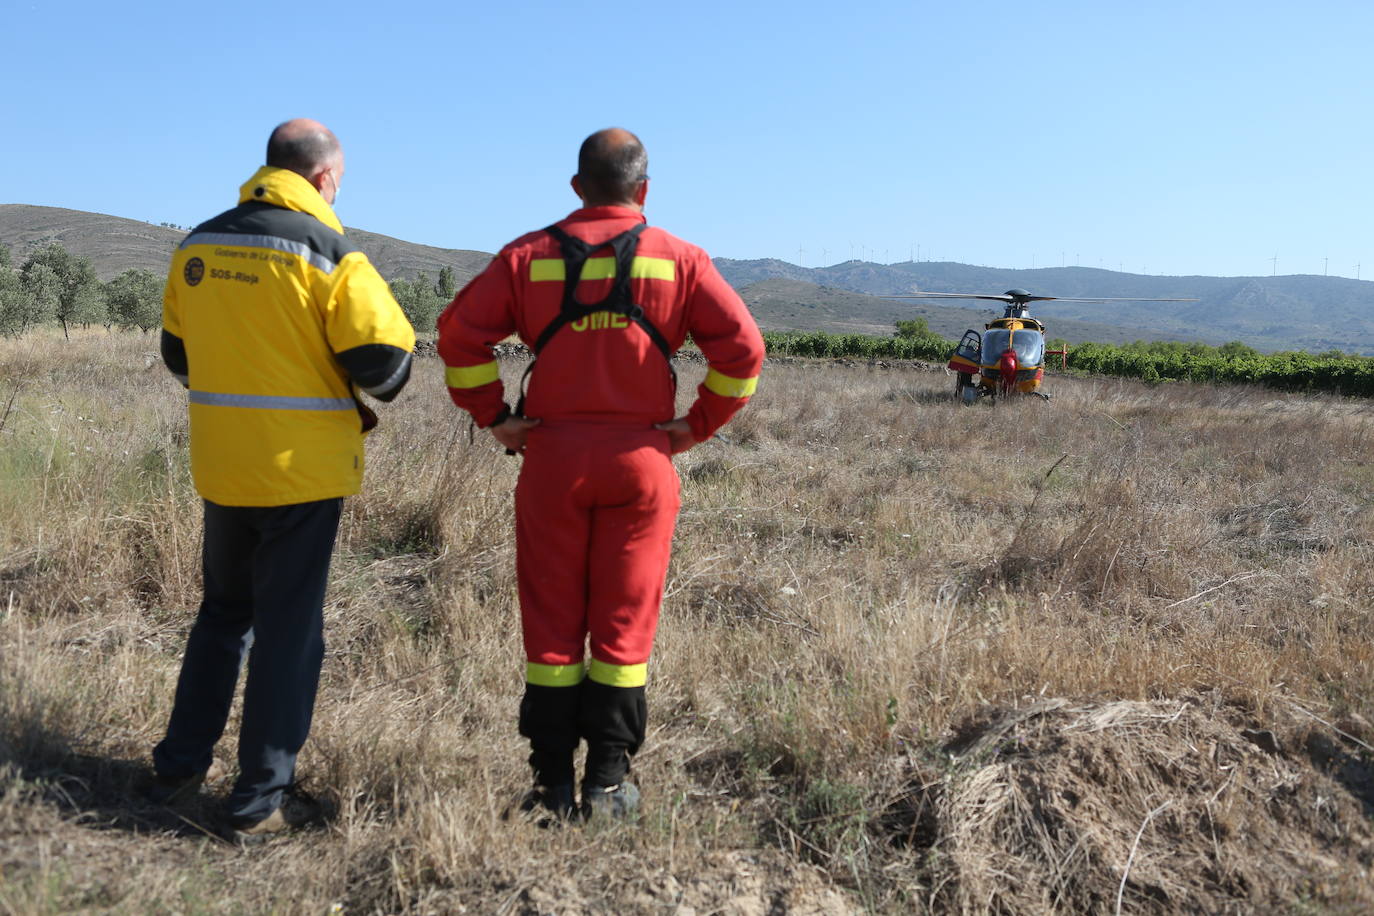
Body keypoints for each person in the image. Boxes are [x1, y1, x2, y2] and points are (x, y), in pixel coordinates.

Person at [437, 127, 764, 820]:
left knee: (552, 627)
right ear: (643, 191)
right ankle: (610, 785)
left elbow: (458, 337)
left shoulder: (526, 257)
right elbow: (744, 353)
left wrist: (494, 416)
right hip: (643, 465)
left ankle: (552, 788)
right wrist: (694, 426)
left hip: (550, 462)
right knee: (625, 625)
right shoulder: (682, 260)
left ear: (577, 188)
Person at [153, 118, 416, 840]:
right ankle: (259, 801)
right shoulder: (328, 250)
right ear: (325, 178)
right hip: (301, 474)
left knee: (220, 618)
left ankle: (176, 771)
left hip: (222, 466)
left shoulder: (197, 244)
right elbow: (388, 370)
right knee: (287, 633)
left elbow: (181, 357)